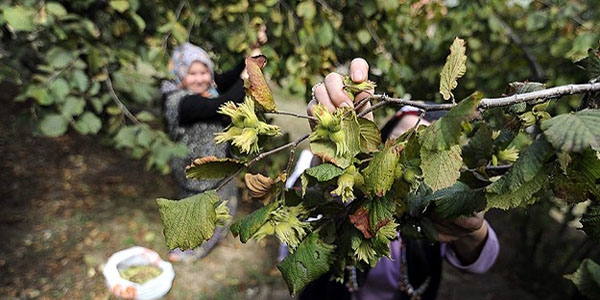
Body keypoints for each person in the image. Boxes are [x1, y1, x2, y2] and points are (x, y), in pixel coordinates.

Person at [287, 58, 500, 299]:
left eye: (428, 153)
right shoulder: (357, 192)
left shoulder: (435, 212)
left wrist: (470, 224)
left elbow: (484, 258)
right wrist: (328, 164)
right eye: (403, 142)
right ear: (380, 146)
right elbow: (302, 219)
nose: (412, 158)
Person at [161, 26, 268, 262]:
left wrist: (252, 54)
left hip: (214, 165)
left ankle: (211, 238)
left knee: (218, 207)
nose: (200, 79)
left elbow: (227, 77)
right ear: (180, 74)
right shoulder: (179, 101)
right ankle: (186, 249)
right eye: (192, 74)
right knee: (194, 211)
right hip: (195, 170)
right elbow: (224, 103)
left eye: (204, 72)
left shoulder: (205, 88)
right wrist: (249, 76)